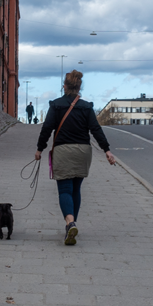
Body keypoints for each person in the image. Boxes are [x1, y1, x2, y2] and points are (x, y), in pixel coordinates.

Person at [35, 70, 115, 245]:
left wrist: (40, 148)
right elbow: (96, 129)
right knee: (76, 189)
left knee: (64, 190)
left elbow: (47, 128)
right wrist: (106, 150)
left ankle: (70, 222)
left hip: (63, 151)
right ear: (79, 87)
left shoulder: (56, 105)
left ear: (64, 86)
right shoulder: (86, 106)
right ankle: (71, 225)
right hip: (83, 151)